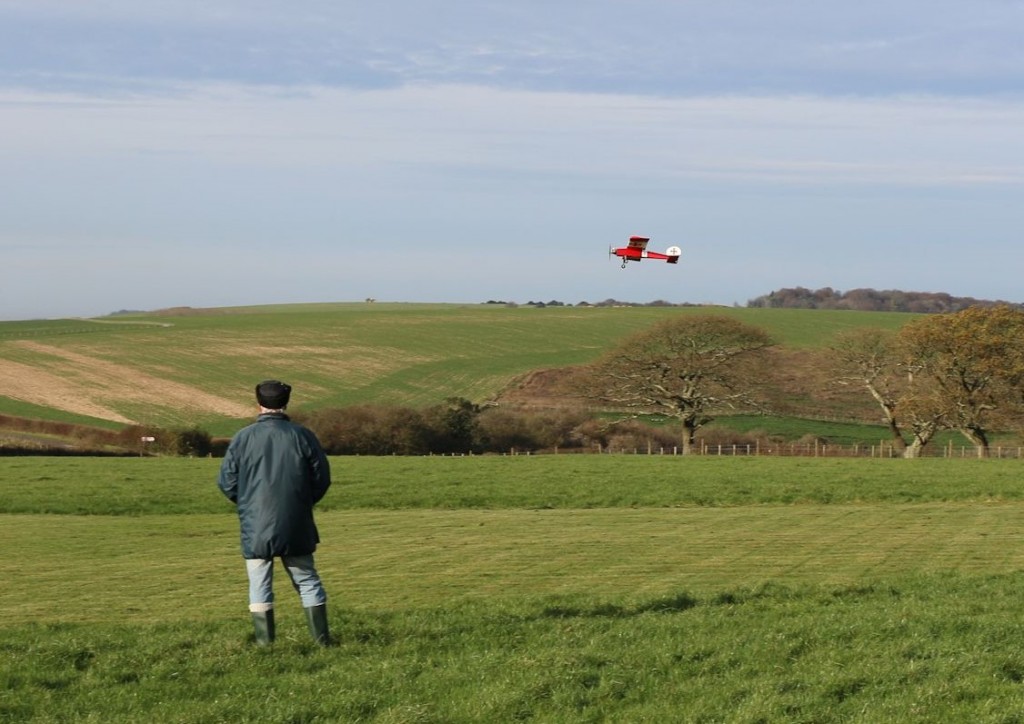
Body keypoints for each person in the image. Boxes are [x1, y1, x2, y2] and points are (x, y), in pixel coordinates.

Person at [218, 380, 332, 646]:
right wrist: (302, 503)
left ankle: (264, 644)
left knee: (259, 582)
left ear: (258, 403)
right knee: (307, 579)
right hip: (296, 520)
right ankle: (322, 641)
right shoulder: (303, 436)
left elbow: (226, 482)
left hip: (255, 522)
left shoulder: (242, 438)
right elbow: (321, 478)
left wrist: (248, 503)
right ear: (286, 403)